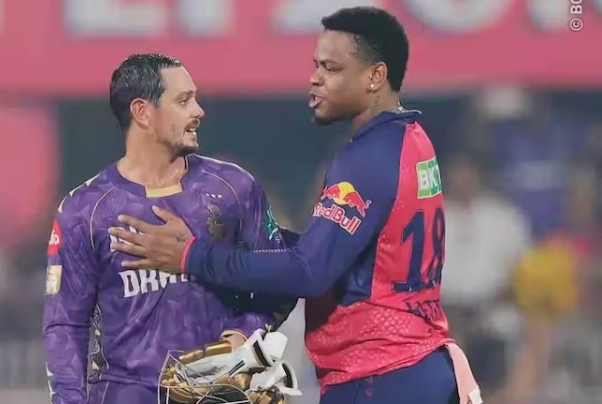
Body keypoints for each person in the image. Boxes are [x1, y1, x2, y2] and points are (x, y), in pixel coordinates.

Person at [108, 7, 481, 404]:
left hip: (379, 376)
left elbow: (309, 272)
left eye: (332, 68)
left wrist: (191, 255)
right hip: (424, 366)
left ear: (375, 76)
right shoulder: (412, 139)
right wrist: (234, 238)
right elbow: (344, 255)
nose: (316, 79)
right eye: (316, 65)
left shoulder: (364, 160)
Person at [42, 53, 296, 404]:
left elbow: (283, 277)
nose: (198, 111)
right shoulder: (84, 210)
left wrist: (245, 334)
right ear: (143, 112)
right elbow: (65, 326)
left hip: (221, 396)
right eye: (183, 100)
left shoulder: (234, 189)